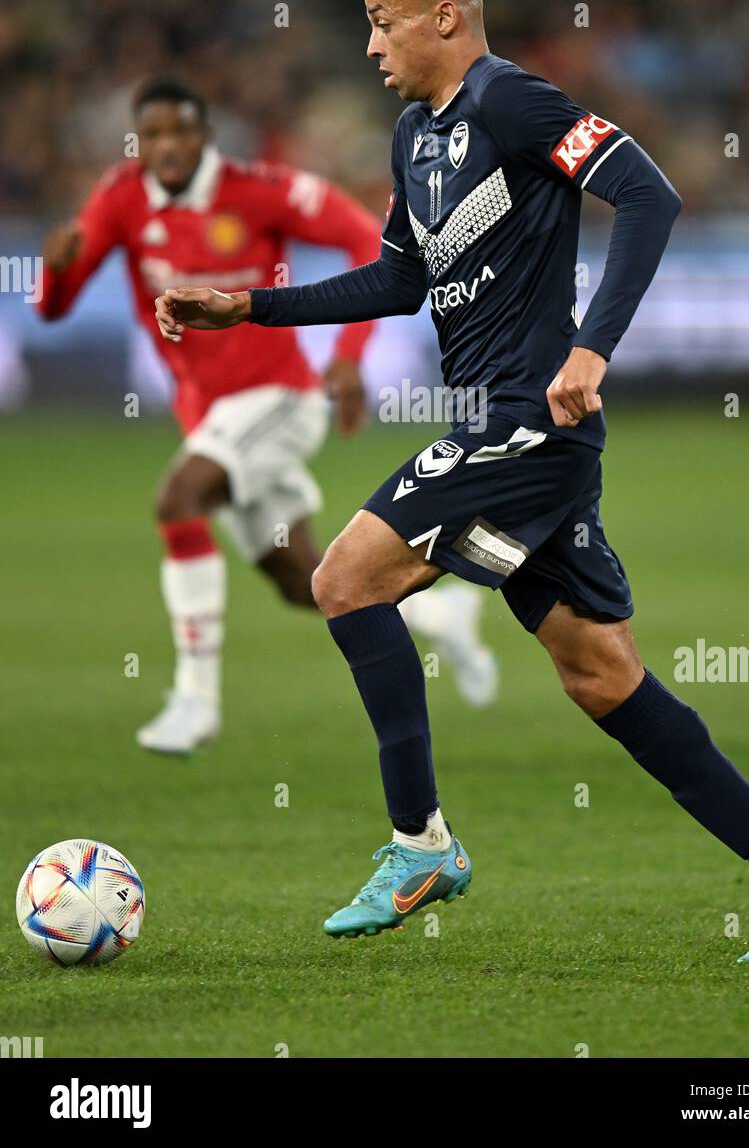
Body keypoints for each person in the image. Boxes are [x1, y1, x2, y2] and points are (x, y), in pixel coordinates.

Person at [154, 0, 749, 962]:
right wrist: (246, 305)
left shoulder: (513, 103)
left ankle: (418, 843)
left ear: (445, 16)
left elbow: (648, 194)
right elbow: (396, 279)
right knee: (599, 673)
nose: (374, 46)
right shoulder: (412, 139)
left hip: (528, 422)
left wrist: (590, 347)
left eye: (386, 24)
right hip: (490, 427)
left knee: (344, 578)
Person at [38, 76, 499, 755]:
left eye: (181, 131)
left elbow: (367, 242)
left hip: (282, 400)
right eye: (154, 134)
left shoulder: (261, 191)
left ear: (206, 137)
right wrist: (52, 273)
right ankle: (442, 614)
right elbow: (53, 308)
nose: (167, 146)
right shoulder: (120, 199)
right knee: (304, 579)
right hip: (209, 417)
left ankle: (195, 701)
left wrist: (348, 355)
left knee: (178, 498)